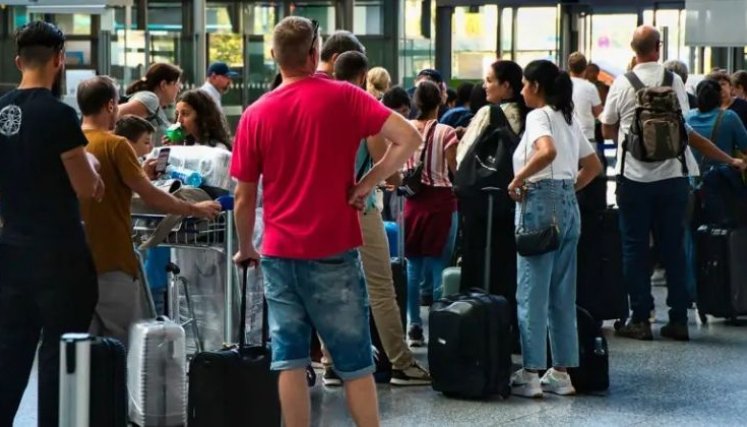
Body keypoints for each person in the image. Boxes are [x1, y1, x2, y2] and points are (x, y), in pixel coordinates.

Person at [230, 16, 421, 427]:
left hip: (279, 253)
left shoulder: (256, 114)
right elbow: (410, 138)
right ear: (315, 54)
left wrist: (246, 246)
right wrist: (367, 184)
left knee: (290, 360)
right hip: (334, 247)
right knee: (354, 362)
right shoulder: (345, 97)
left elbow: (244, 198)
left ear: (275, 58)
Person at [600, 25, 746, 341]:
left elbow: (607, 127)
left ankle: (641, 318)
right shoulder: (674, 81)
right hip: (674, 178)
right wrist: (728, 158)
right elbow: (684, 128)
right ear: (658, 48)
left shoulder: (623, 84)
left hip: (634, 179)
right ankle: (678, 319)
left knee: (634, 249)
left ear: (632, 48)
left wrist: (628, 142)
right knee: (674, 249)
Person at [0, 21, 104, 427]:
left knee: (10, 351)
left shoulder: (1, 111)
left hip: (11, 250)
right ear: (59, 60)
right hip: (59, 255)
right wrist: (92, 166)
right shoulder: (60, 115)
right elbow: (86, 187)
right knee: (61, 353)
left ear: (18, 60)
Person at [77, 76, 221, 347]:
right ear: (110, 105)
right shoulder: (115, 144)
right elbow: (151, 196)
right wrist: (194, 208)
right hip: (112, 262)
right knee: (119, 348)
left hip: (74, 262)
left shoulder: (70, 145)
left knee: (85, 352)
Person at [320, 49, 430, 387]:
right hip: (360, 209)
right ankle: (401, 363)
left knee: (331, 288)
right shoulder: (362, 109)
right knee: (381, 287)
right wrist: (383, 179)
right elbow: (389, 164)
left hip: (323, 209)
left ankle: (331, 362)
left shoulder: (318, 107)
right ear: (361, 78)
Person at [506, 59, 603, 398]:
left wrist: (519, 177)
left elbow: (547, 152)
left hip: (539, 205)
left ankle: (530, 373)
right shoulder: (568, 117)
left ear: (535, 86)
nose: (520, 90)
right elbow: (593, 166)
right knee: (562, 293)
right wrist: (566, 192)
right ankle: (560, 373)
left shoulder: (539, 116)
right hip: (568, 206)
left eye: (524, 85)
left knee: (531, 291)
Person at [455, 59, 527, 344]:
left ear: (506, 86)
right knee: (507, 267)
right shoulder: (529, 115)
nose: (484, 85)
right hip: (511, 203)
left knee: (478, 263)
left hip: (481, 205)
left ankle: (477, 329)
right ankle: (508, 328)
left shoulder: (489, 113)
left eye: (490, 80)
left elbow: (463, 156)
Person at [403, 81, 459, 347]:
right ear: (439, 102)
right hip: (441, 202)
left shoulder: (406, 130)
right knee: (439, 264)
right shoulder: (447, 132)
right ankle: (439, 325)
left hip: (413, 203)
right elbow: (454, 168)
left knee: (412, 266)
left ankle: (413, 326)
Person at [118, 62, 183, 140]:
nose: (179, 88)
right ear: (164, 85)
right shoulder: (150, 99)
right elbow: (115, 115)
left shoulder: (157, 108)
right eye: (176, 83)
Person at [568, 52, 603, 144]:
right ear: (585, 68)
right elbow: (599, 113)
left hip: (567, 135)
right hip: (586, 135)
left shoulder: (562, 85)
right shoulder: (590, 87)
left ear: (569, 67)